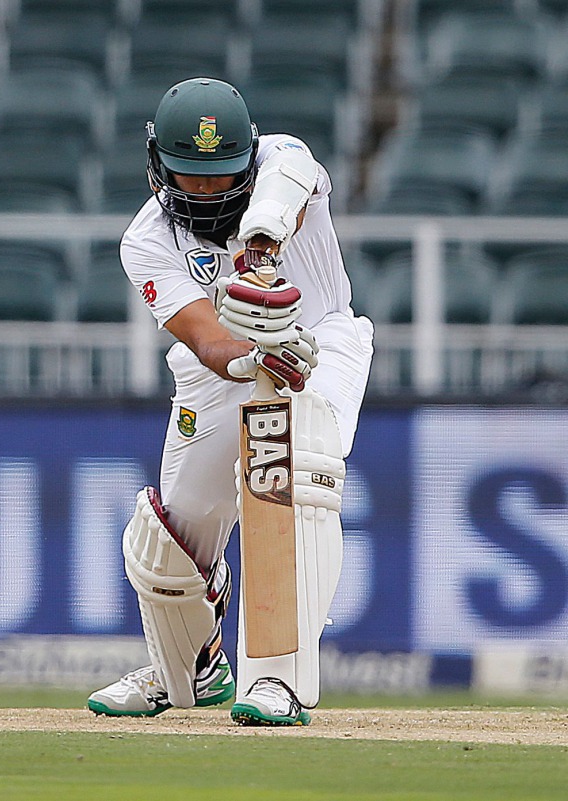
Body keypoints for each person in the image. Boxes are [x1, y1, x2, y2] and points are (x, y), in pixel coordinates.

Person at [86, 77, 374, 726]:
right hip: (220, 368)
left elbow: (285, 191)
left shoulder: (284, 159)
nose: (209, 191)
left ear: (250, 155)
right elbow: (204, 336)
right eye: (192, 177)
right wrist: (247, 358)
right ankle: (187, 671)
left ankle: (278, 678)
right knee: (170, 536)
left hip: (318, 343)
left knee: (293, 474)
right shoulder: (146, 240)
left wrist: (263, 240)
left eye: (223, 175)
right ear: (159, 166)